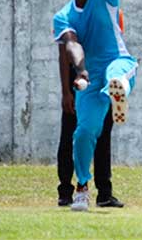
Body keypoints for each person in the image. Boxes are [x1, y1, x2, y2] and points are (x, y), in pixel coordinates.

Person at [52, 0, 138, 211]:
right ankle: (82, 189)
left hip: (117, 61)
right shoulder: (64, 15)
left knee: (120, 75)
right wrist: (82, 73)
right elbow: (71, 45)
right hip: (89, 76)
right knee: (83, 134)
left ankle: (119, 93)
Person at [57, 48, 124, 207]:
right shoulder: (71, 25)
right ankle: (66, 192)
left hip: (102, 81)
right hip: (79, 83)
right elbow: (64, 55)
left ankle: (104, 194)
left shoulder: (112, 25)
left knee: (103, 135)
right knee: (70, 135)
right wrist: (66, 92)